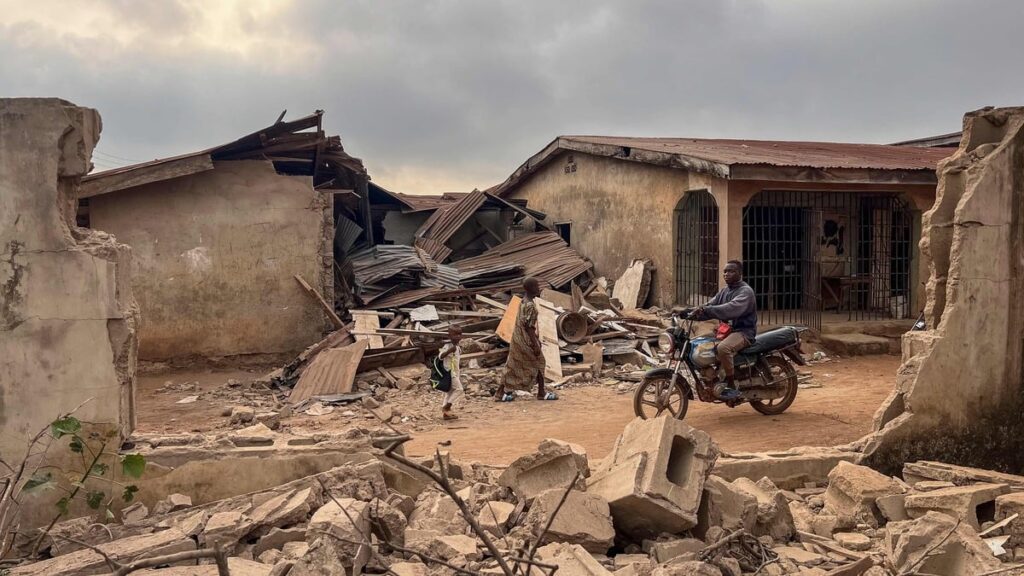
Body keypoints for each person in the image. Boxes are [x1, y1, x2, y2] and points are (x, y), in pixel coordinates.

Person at [693, 260, 757, 400]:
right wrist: (687, 312)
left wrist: (708, 309)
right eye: (725, 271)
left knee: (723, 348)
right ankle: (713, 378)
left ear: (740, 273)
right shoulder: (724, 291)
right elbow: (709, 305)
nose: (726, 274)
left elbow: (730, 309)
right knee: (699, 343)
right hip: (726, 331)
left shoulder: (745, 292)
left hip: (743, 332)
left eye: (731, 271)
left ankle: (730, 383)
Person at [495, 277, 558, 402]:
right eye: (536, 286)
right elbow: (529, 327)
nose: (539, 288)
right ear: (530, 288)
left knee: (512, 365)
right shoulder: (531, 306)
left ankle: (499, 393)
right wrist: (535, 343)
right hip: (525, 340)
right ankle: (541, 393)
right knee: (540, 362)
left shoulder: (523, 301)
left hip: (517, 338)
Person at [437, 325, 465, 420]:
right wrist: (449, 351)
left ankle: (446, 415)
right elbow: (440, 356)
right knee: (459, 389)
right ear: (449, 336)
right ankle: (446, 407)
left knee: (449, 392)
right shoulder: (447, 346)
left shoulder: (457, 347)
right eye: (455, 334)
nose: (458, 336)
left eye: (459, 334)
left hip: (455, 372)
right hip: (449, 372)